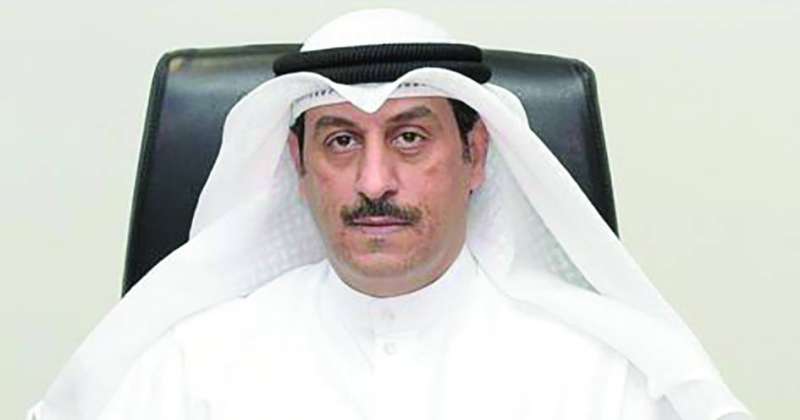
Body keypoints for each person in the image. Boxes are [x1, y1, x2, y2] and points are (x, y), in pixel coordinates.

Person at [28, 9, 751, 420]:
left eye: (409, 138)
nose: (374, 181)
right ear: (298, 163)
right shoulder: (191, 368)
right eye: (341, 141)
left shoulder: (598, 379)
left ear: (475, 155)